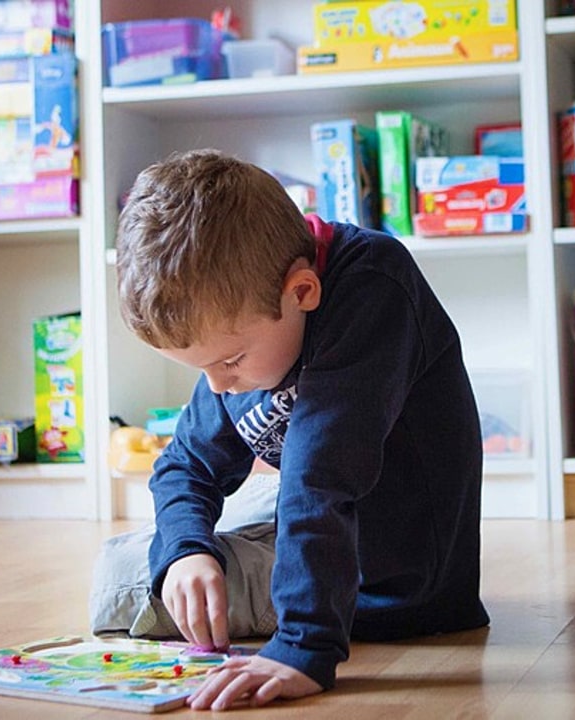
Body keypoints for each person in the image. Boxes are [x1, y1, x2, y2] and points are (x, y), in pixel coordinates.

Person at [92, 149, 489, 710]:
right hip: (305, 532)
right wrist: (186, 552)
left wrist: (302, 647)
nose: (219, 386)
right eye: (202, 370)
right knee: (163, 557)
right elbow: (185, 464)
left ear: (302, 291)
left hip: (391, 589)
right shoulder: (246, 322)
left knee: (118, 582)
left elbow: (319, 479)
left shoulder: (374, 286)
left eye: (229, 361)